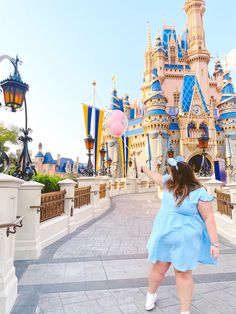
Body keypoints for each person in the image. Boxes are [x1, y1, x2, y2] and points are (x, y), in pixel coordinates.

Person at [141, 157, 219, 314]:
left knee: (183, 273)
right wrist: (145, 169)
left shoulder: (199, 193)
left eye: (171, 171)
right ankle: (151, 294)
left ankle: (185, 311)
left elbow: (209, 218)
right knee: (159, 268)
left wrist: (214, 244)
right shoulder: (169, 184)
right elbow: (156, 177)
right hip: (165, 237)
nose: (169, 174)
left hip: (185, 241)